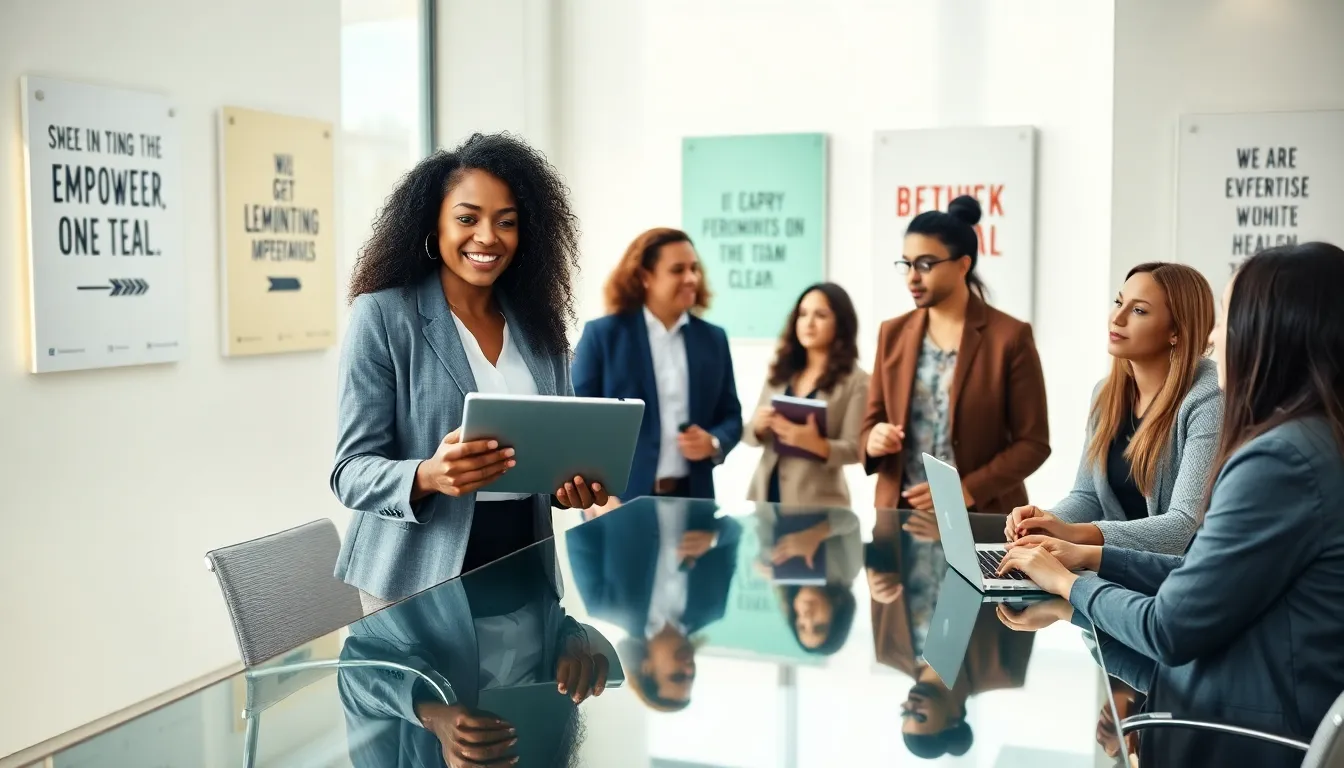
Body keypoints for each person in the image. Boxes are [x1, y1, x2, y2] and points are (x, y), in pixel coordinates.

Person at [999, 243, 1344, 767]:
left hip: (1238, 730)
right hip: (1243, 694)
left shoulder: (1279, 460)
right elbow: (1203, 579)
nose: (1214, 337)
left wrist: (1068, 585)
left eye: (1226, 318)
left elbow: (1168, 628)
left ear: (1270, 331)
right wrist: (1086, 559)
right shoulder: (1317, 441)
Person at [330, 133, 607, 610]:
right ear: (432, 225)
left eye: (507, 222)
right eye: (466, 218)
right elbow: (350, 473)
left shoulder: (540, 325)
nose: (487, 237)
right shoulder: (384, 316)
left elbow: (553, 454)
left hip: (524, 566)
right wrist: (428, 475)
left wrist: (569, 489)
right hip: (413, 579)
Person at [1004, 263, 1220, 554]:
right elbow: (1087, 496)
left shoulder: (1209, 398)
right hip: (1115, 569)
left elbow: (1181, 527)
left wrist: (1073, 534)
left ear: (1177, 331)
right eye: (1119, 302)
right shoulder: (1106, 394)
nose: (1116, 318)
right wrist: (1045, 521)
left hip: (1177, 579)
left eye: (1139, 310)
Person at [859, 195, 1050, 522]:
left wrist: (966, 489)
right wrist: (872, 440)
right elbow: (869, 423)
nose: (912, 278)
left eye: (925, 264)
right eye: (906, 264)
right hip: (899, 521)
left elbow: (1033, 443)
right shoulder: (891, 333)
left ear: (963, 264)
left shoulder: (1009, 337)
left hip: (980, 519)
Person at [339, 541, 603, 767]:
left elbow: (354, 672)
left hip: (414, 571)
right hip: (521, 562)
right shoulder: (546, 756)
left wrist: (432, 715)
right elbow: (563, 633)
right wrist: (574, 647)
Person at [572, 228, 743, 503]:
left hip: (694, 501)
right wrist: (595, 501)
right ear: (644, 277)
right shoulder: (603, 336)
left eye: (694, 269)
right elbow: (576, 422)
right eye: (678, 270)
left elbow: (732, 417)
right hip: (619, 502)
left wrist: (712, 442)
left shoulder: (713, 339)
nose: (691, 279)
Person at [565, 497, 741, 712]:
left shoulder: (603, 605)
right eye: (692, 676)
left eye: (677, 676)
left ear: (646, 669)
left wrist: (597, 507)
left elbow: (581, 534)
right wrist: (714, 538)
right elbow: (734, 532)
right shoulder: (712, 607)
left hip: (630, 487)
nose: (689, 669)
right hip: (691, 479)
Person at [743, 283, 869, 507]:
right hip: (765, 498)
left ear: (841, 323)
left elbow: (854, 449)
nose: (809, 324)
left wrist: (816, 444)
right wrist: (758, 427)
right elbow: (749, 434)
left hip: (818, 506)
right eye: (802, 314)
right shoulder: (782, 371)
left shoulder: (857, 381)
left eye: (820, 315)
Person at [752, 505, 861, 655]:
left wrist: (765, 557)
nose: (807, 618)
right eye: (819, 626)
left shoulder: (779, 575)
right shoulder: (847, 571)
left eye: (801, 626)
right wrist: (815, 534)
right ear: (837, 615)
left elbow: (763, 514)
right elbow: (851, 521)